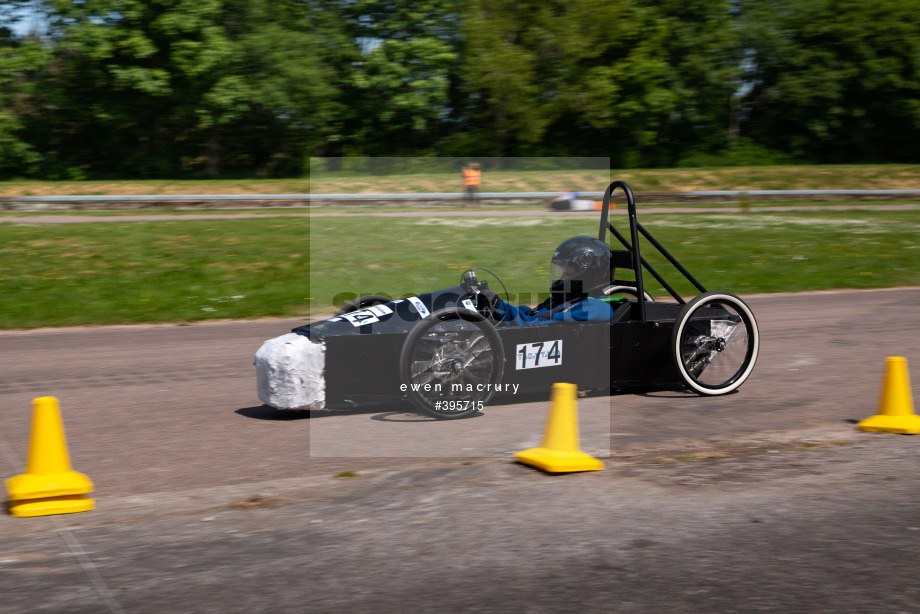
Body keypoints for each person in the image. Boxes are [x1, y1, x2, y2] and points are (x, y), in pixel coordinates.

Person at [473, 236, 623, 325]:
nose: (561, 279)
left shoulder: (595, 308)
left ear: (588, 276)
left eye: (567, 274)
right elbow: (532, 313)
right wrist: (496, 307)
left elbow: (541, 327)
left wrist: (500, 307)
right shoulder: (564, 301)